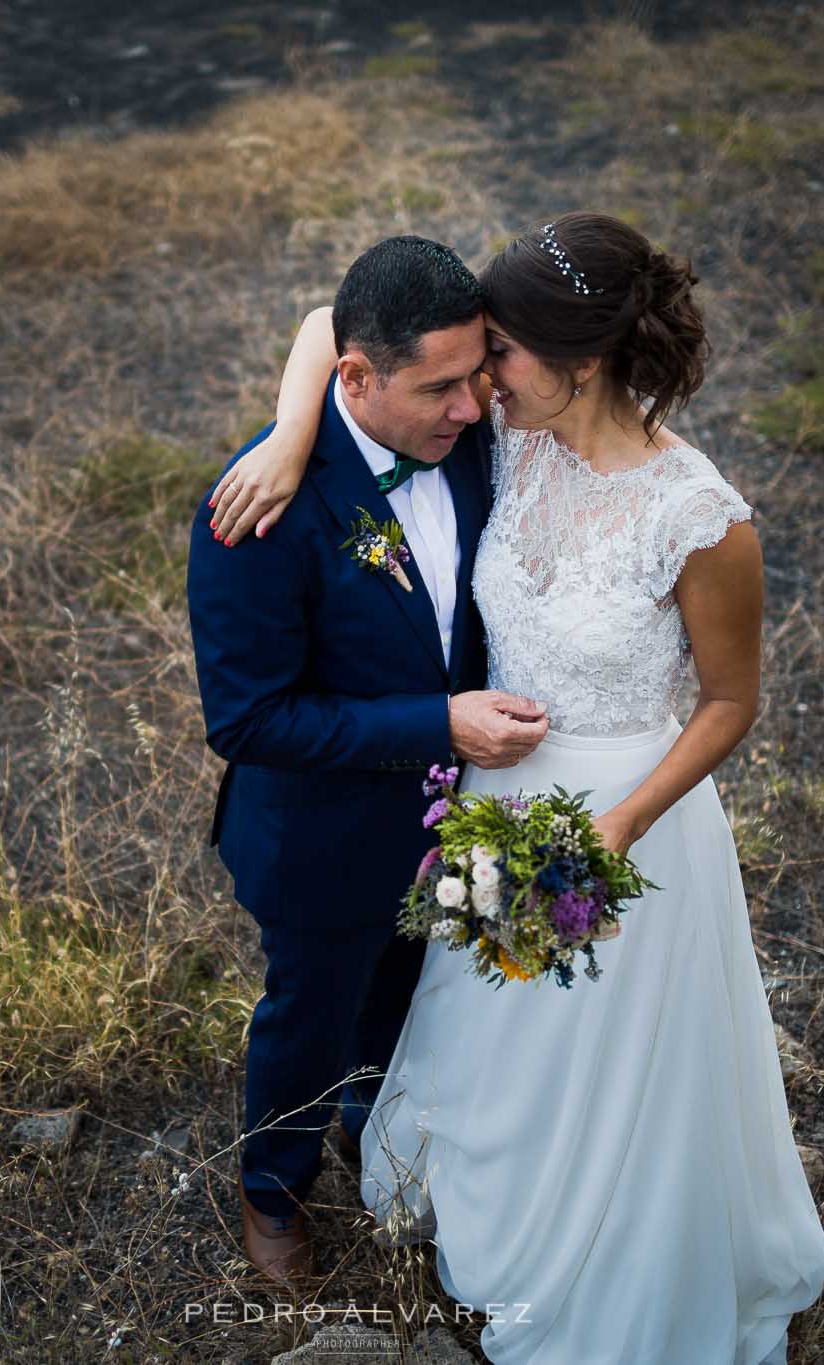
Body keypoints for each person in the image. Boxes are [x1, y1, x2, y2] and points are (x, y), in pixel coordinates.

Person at [206, 212, 824, 1363]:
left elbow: (731, 699)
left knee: (559, 1039)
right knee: (411, 1017)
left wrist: (622, 825)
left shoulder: (659, 499)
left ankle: (581, 1236)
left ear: (572, 363)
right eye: (466, 363)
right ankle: (304, 1190)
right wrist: (295, 431)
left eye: (492, 355)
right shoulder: (466, 437)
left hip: (608, 820)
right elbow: (333, 327)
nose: (474, 385)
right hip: (449, 805)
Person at [185, 235, 551, 1284]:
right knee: (310, 1017)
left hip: (460, 822)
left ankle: (379, 1128)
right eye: (438, 388)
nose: (467, 409)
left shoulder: (469, 443)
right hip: (325, 840)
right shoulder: (258, 509)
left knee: (413, 1000)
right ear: (355, 379)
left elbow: (323, 321)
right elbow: (249, 722)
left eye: (473, 379)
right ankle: (272, 1195)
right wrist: (436, 725)